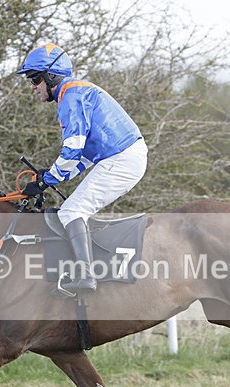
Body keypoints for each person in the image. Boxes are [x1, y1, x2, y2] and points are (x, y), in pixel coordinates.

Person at [17, 43, 148, 292]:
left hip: (122, 158)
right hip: (121, 157)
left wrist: (48, 179)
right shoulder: (75, 92)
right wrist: (51, 176)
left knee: (71, 212)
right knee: (73, 210)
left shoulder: (71, 96)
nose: (32, 87)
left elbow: (73, 150)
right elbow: (84, 156)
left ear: (50, 76)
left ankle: (86, 277)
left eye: (34, 79)